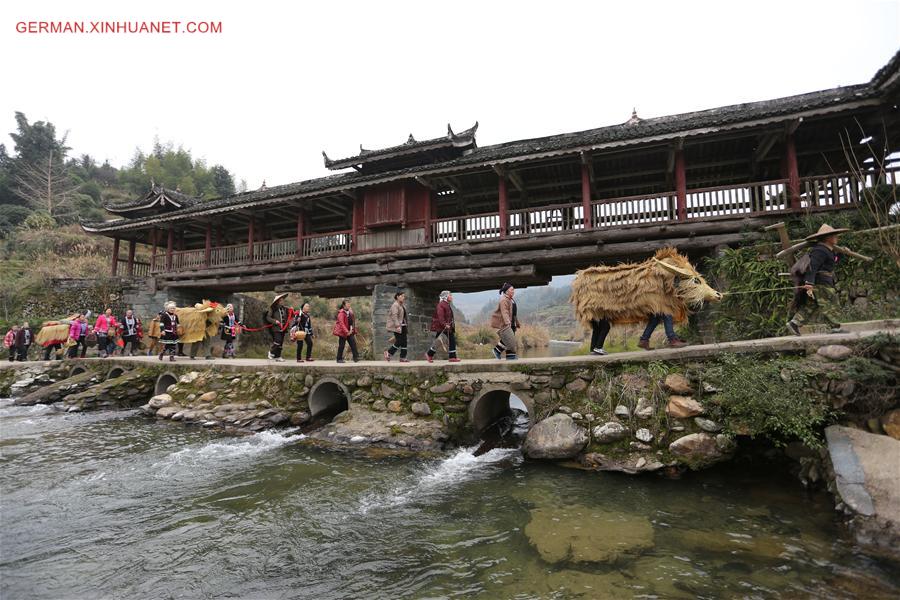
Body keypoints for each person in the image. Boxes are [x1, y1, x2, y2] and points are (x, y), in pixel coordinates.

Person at [787, 224, 850, 336]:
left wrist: (842, 254)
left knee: (811, 305)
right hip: (821, 283)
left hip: (823, 281)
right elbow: (813, 267)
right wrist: (809, 283)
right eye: (834, 236)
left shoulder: (827, 250)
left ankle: (794, 323)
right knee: (831, 303)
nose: (837, 238)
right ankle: (835, 327)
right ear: (828, 238)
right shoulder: (820, 250)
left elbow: (833, 261)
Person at [426, 290, 460, 363]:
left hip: (445, 327)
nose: (451, 297)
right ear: (445, 297)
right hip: (443, 327)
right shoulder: (441, 305)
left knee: (438, 341)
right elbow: (440, 317)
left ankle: (429, 354)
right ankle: (452, 357)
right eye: (450, 295)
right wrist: (445, 324)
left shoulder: (446, 304)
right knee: (452, 340)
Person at [490, 283, 520, 360]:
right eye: (512, 290)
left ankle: (510, 355)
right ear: (506, 291)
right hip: (506, 323)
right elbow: (504, 312)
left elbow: (513, 313)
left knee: (510, 339)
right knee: (508, 338)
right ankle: (496, 350)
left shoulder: (511, 299)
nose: (513, 291)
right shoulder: (504, 300)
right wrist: (507, 323)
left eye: (513, 290)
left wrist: (517, 322)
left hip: (512, 322)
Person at [384, 291, 409, 362]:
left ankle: (402, 357)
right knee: (399, 341)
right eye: (402, 296)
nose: (403, 297)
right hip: (397, 326)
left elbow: (403, 316)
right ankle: (388, 353)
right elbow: (394, 316)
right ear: (397, 297)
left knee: (404, 342)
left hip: (403, 326)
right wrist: (397, 326)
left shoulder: (401, 305)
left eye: (404, 296)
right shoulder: (395, 305)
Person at [266, 293, 289, 362]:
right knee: (277, 341)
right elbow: (268, 317)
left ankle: (278, 356)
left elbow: (289, 315)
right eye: (281, 300)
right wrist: (275, 321)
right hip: (276, 328)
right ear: (278, 301)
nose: (283, 301)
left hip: (283, 328)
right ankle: (271, 352)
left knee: (280, 344)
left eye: (283, 300)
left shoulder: (284, 309)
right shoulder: (272, 309)